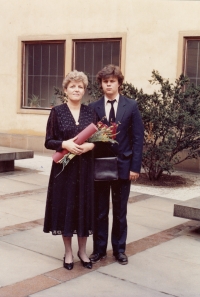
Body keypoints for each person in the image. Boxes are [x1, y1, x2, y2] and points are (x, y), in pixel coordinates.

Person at [89, 64, 144, 265]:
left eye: (112, 81)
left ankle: (119, 250)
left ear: (119, 83)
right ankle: (99, 250)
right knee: (100, 211)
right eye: (105, 82)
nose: (109, 85)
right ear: (101, 85)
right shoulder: (94, 107)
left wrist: (135, 167)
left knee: (120, 211)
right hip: (101, 166)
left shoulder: (131, 106)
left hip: (123, 166)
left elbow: (138, 138)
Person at [43, 70, 96, 270]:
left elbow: (97, 140)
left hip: (84, 169)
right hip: (63, 171)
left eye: (80, 86)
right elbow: (49, 141)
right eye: (72, 86)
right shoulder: (57, 112)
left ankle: (82, 251)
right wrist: (64, 143)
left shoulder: (91, 112)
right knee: (66, 208)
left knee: (83, 208)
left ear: (84, 90)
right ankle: (68, 252)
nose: (76, 89)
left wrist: (90, 146)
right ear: (66, 90)